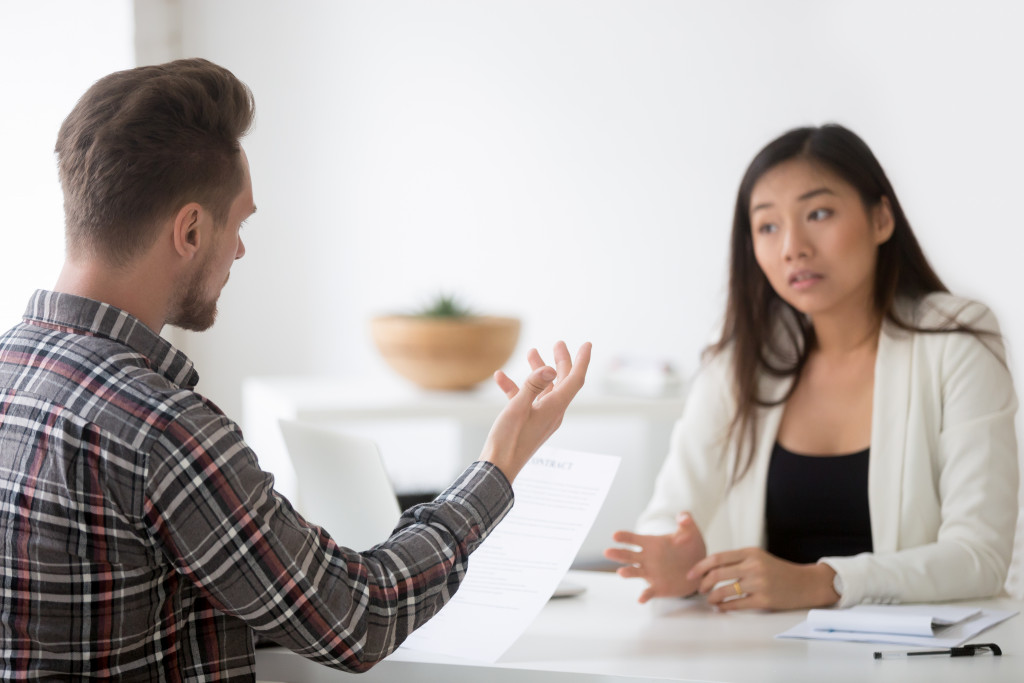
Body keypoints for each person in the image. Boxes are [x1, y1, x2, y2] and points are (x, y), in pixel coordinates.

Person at [0, 58, 591, 679]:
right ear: (192, 229)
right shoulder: (159, 429)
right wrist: (500, 463)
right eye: (241, 221)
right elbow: (360, 619)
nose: (243, 248)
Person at [604, 123, 1018, 611]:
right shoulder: (737, 364)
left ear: (881, 219)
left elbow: (979, 557)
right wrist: (680, 565)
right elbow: (666, 519)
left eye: (818, 213)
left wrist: (822, 582)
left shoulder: (955, 338)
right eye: (768, 226)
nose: (792, 247)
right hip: (759, 659)